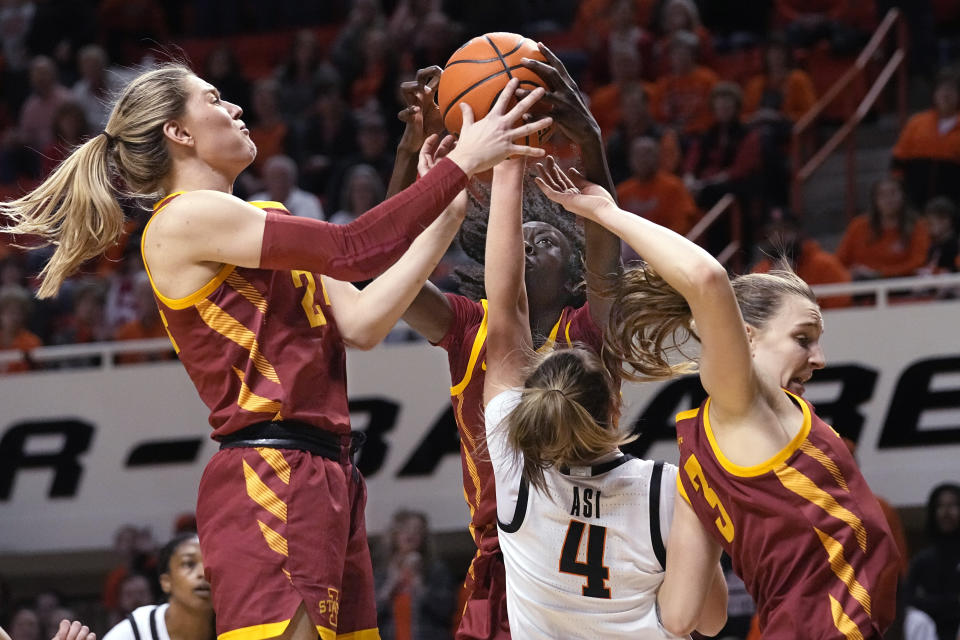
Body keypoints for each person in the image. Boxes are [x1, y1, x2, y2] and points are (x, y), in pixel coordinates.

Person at [1, 61, 550, 640]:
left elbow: (363, 323)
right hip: (268, 472)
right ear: (178, 133)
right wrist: (464, 162)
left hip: (331, 475)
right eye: (214, 99)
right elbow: (353, 248)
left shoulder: (266, 220)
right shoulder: (181, 220)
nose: (235, 108)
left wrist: (446, 214)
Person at [534, 161, 901, 638]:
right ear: (745, 337)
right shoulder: (742, 400)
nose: (820, 357)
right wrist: (606, 212)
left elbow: (691, 616)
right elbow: (708, 280)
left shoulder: (698, 456)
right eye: (803, 337)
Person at [390, 49, 621, 640]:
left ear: (571, 276)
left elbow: (606, 266)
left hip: (582, 546)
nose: (525, 241)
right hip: (499, 556)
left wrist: (591, 146)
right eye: (519, 233)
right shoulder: (469, 325)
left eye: (545, 239)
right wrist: (407, 151)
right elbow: (384, 270)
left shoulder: (590, 330)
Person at [481, 154, 727, 639]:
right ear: (615, 406)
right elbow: (712, 620)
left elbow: (506, 305)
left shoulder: (515, 467)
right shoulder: (668, 489)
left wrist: (505, 166)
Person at [103, 533, 214, 640]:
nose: (203, 573)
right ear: (166, 581)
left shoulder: (229, 627)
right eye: (189, 564)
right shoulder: (136, 631)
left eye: (210, 565)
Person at [374, 510, 454, 640]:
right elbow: (368, 615)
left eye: (417, 530)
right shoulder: (381, 573)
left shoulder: (436, 570)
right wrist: (391, 586)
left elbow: (446, 611)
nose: (410, 534)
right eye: (405, 529)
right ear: (395, 535)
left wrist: (420, 586)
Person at [834, 177, 931, 280]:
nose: (888, 199)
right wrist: (851, 272)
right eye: (882, 195)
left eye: (893, 193)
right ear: (875, 200)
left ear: (903, 196)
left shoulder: (918, 226)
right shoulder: (858, 226)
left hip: (901, 285)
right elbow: (839, 260)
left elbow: (918, 262)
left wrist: (879, 274)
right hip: (861, 285)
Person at [891, 70, 960, 207]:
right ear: (934, 94)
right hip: (915, 197)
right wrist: (898, 187)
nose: (945, 95)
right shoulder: (917, 122)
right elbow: (898, 160)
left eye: (951, 91)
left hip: (953, 200)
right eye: (941, 90)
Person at [905, 483, 960, 640]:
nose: (946, 512)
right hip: (931, 626)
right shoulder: (923, 560)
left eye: (953, 505)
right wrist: (951, 602)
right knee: (916, 620)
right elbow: (909, 598)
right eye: (941, 506)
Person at [250, 155, 325, 221]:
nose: (278, 182)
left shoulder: (309, 202)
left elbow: (315, 232)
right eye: (273, 177)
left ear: (293, 179)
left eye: (283, 177)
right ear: (265, 180)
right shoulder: (255, 201)